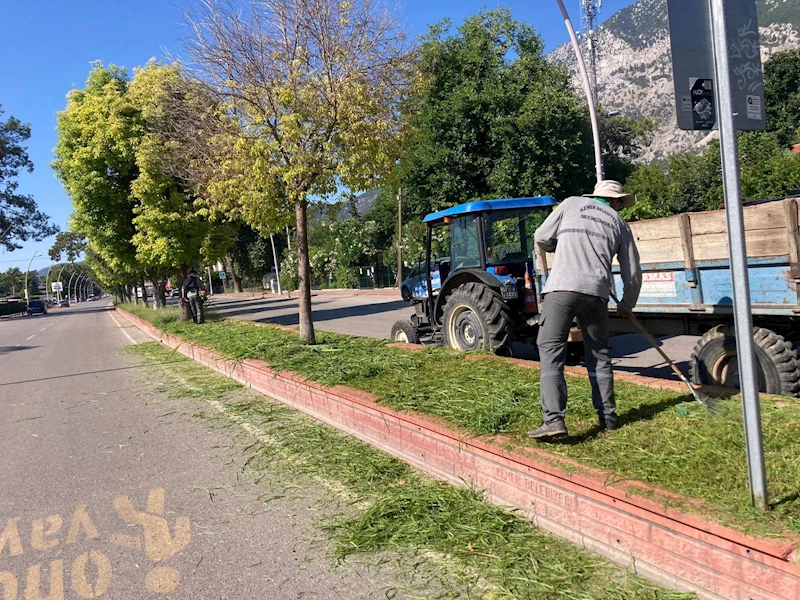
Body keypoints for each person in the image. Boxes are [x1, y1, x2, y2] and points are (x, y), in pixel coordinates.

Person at [529, 180, 642, 439]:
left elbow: (541, 237)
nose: (620, 208)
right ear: (615, 201)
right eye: (620, 204)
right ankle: (608, 418)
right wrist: (627, 303)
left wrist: (561, 245)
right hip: (596, 293)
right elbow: (633, 272)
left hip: (562, 290)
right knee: (599, 354)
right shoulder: (618, 223)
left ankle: (554, 420)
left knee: (551, 352)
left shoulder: (570, 204)